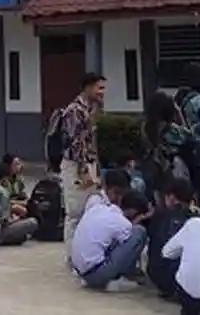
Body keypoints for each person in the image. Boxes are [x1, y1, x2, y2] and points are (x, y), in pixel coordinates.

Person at [67, 169, 146, 292]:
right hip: (95, 273)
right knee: (139, 232)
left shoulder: (99, 207)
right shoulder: (103, 207)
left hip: (83, 268)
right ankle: (124, 274)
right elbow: (129, 234)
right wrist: (140, 219)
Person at [60, 72, 105, 249]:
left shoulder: (92, 110)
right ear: (88, 87)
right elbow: (75, 144)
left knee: (91, 210)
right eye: (99, 88)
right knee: (75, 213)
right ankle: (72, 255)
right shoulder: (74, 111)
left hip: (89, 165)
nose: (102, 92)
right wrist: (84, 170)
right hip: (76, 167)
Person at [145, 177, 199, 299]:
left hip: (157, 274)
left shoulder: (159, 215)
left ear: (172, 197)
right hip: (181, 277)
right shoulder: (195, 219)